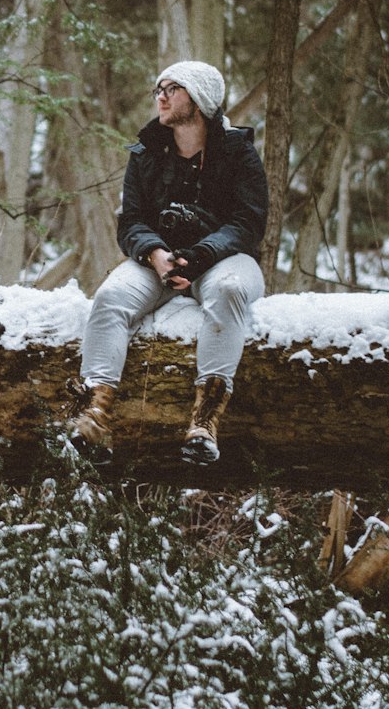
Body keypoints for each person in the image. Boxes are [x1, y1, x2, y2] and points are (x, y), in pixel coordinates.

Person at [68, 60, 268, 466]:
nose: (160, 96)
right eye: (158, 88)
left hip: (223, 259)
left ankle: (205, 423)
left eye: (172, 88)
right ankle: (94, 415)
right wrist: (156, 254)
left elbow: (248, 222)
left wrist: (201, 256)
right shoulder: (146, 152)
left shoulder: (238, 153)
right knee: (109, 298)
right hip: (156, 259)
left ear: (199, 99)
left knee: (229, 291)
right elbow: (131, 221)